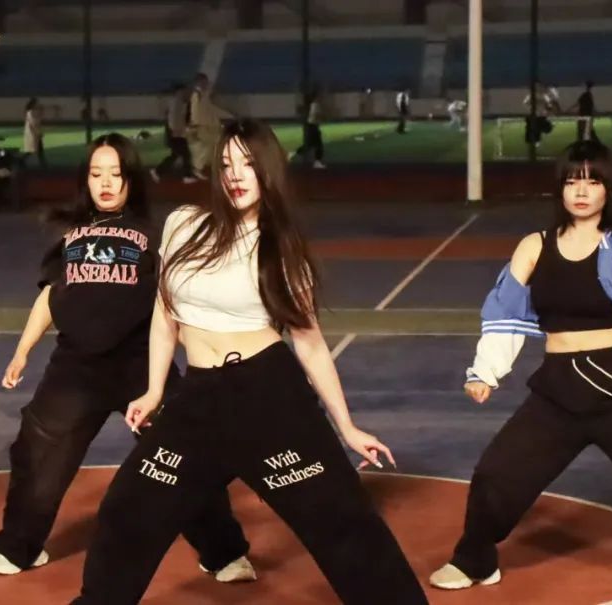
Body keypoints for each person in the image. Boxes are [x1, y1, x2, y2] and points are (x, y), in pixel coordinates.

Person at [71, 119, 427, 604]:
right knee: (129, 510)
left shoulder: (280, 248)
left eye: (248, 164)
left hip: (268, 397)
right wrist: (154, 390)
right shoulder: (183, 224)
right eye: (226, 164)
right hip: (198, 399)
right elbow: (164, 315)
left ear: (268, 171)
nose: (236, 175)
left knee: (342, 523)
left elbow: (309, 343)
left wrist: (346, 427)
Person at [0, 134, 254, 582]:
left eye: (115, 174)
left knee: (182, 455)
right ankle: (18, 547)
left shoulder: (155, 235)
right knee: (37, 452)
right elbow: (50, 296)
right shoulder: (69, 236)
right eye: (96, 174)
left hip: (141, 365)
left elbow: (176, 302)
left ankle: (222, 553)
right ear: (85, 181)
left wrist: (209, 355)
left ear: (132, 180)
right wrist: (22, 351)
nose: (105, 183)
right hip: (75, 369)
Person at [430, 140, 612, 590]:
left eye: (593, 181)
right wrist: (486, 372)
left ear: (609, 190)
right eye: (572, 181)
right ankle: (474, 561)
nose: (581, 191)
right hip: (559, 391)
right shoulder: (534, 246)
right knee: (497, 473)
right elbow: (504, 311)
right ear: (560, 189)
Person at [150, 84, 196, 184]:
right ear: (179, 92)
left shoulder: (178, 102)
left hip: (177, 133)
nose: (185, 93)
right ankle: (186, 176)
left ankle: (157, 171)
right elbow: (174, 118)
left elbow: (176, 118)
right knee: (185, 154)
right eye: (183, 91)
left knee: (176, 155)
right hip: (176, 133)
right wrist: (176, 130)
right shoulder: (176, 102)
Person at [186, 73, 221, 180]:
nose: (206, 84)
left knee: (206, 148)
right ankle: (199, 168)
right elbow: (195, 110)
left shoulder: (202, 94)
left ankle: (197, 168)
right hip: (204, 126)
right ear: (199, 82)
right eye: (204, 82)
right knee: (212, 146)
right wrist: (195, 125)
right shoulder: (197, 95)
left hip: (207, 126)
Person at [294, 88, 327, 169]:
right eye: (319, 96)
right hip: (313, 126)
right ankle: (317, 162)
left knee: (310, 145)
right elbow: (315, 117)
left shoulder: (313, 104)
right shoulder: (315, 105)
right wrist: (321, 117)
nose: (321, 97)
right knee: (318, 145)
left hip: (312, 126)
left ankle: (294, 153)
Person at [22, 97, 45, 168]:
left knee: (38, 150)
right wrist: (38, 132)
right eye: (37, 103)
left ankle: (43, 164)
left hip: (35, 133)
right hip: (32, 134)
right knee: (32, 150)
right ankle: (21, 161)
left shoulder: (33, 112)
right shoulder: (30, 112)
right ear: (33, 104)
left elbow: (37, 121)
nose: (38, 104)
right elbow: (33, 124)